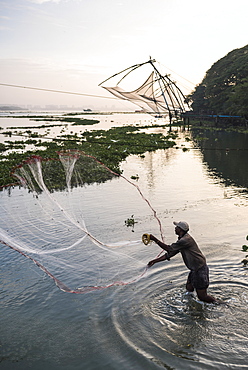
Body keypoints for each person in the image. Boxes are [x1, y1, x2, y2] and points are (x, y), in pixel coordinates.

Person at [148, 221, 216, 303]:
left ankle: (220, 304)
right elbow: (170, 253)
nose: (175, 228)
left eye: (176, 227)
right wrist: (154, 261)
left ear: (180, 229)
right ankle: (191, 305)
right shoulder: (181, 240)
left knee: (202, 296)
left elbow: (169, 248)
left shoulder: (185, 240)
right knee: (189, 289)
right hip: (194, 269)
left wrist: (155, 239)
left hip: (200, 269)